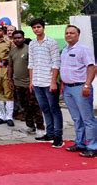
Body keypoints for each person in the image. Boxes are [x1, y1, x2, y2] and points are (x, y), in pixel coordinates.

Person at [60, 25, 97, 158]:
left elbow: (92, 68)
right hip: (68, 89)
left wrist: (87, 85)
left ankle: (93, 146)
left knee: (87, 118)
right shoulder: (64, 50)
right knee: (76, 118)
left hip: (81, 88)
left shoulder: (83, 49)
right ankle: (80, 143)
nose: (69, 35)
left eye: (72, 33)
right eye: (67, 33)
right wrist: (63, 85)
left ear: (78, 35)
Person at [28, 18, 63, 148]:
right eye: (34, 28)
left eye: (38, 27)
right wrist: (31, 81)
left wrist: (53, 82)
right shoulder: (32, 44)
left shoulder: (52, 42)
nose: (36, 30)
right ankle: (49, 134)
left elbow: (56, 63)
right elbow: (30, 64)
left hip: (49, 83)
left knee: (54, 109)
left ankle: (58, 137)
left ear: (43, 27)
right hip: (37, 82)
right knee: (45, 109)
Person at [8, 30, 44, 135]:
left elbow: (34, 66)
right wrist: (10, 79)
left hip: (30, 84)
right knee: (24, 106)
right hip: (18, 84)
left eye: (19, 38)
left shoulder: (29, 50)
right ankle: (30, 126)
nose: (17, 40)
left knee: (35, 106)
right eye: (15, 38)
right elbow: (10, 66)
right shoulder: (12, 51)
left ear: (23, 38)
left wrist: (32, 82)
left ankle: (40, 128)